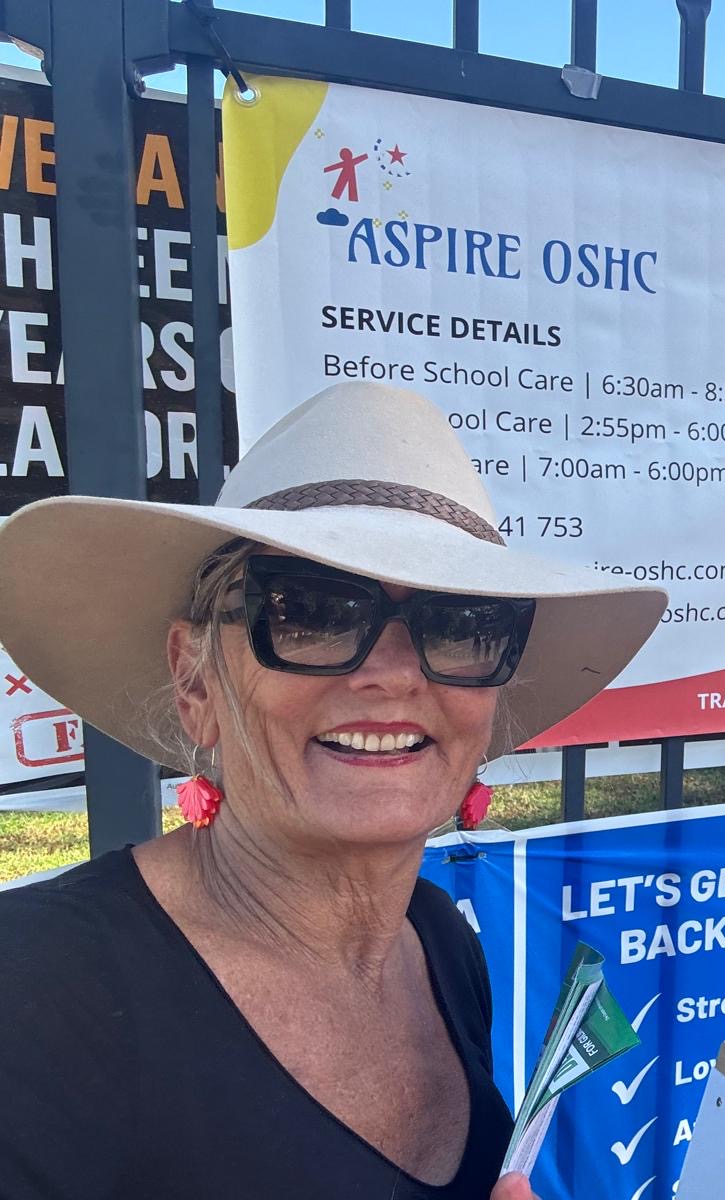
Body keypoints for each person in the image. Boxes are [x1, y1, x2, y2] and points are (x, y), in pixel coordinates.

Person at [0, 382, 665, 1199]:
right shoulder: (32, 995)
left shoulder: (438, 942)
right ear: (195, 680)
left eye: (461, 623)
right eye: (309, 612)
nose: (394, 676)